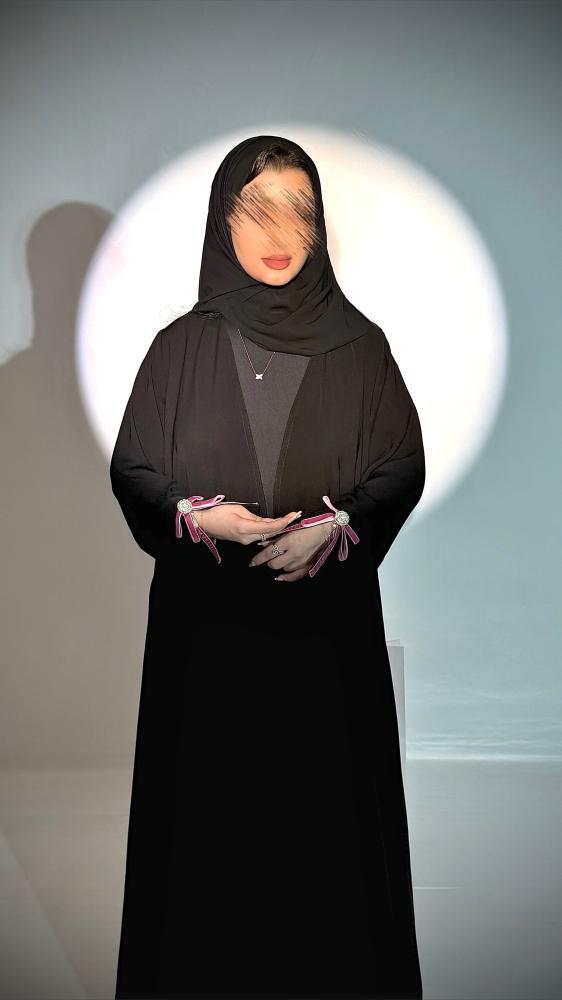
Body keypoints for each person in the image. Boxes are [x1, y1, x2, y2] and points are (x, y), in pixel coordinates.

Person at [110, 134, 425, 999]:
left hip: (322, 647)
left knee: (326, 841)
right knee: (207, 838)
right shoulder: (179, 348)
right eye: (256, 210)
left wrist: (339, 527)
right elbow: (134, 468)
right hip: (208, 646)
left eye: (298, 211)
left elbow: (399, 465)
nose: (277, 233)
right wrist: (196, 516)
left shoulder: (362, 349)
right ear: (224, 220)